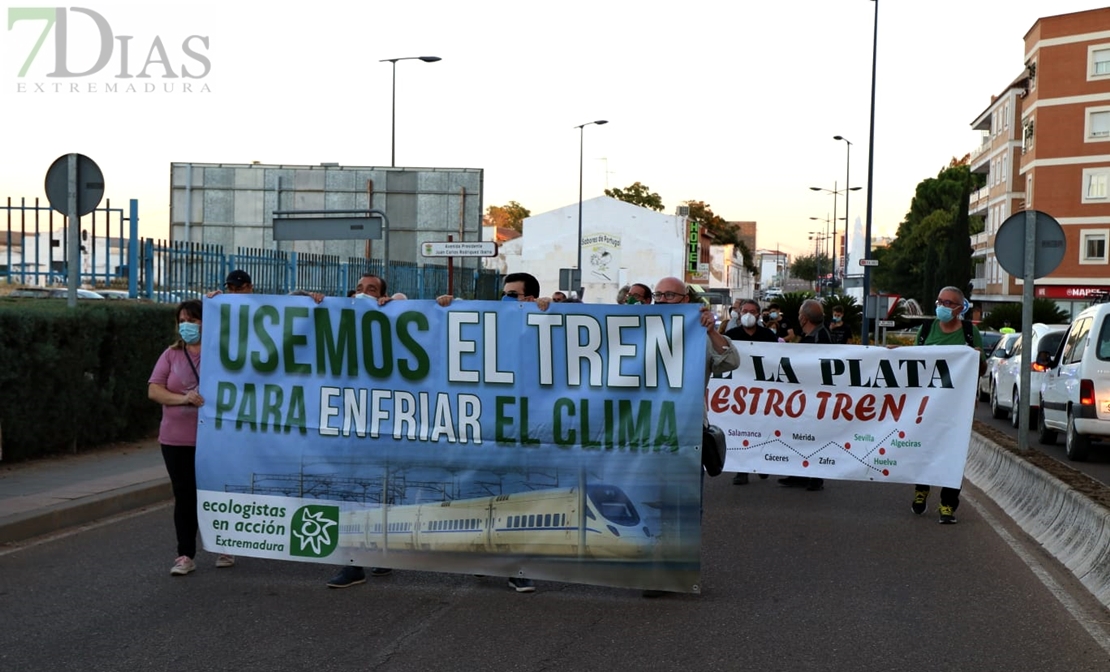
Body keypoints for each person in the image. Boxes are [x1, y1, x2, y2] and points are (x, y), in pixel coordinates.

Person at [646, 277, 740, 597]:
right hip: (643, 431)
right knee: (649, 500)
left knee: (684, 503)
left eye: (669, 295)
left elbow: (730, 360)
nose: (662, 299)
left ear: (685, 298)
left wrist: (711, 329)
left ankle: (677, 569)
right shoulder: (636, 327)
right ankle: (651, 569)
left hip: (686, 430)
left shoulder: (698, 332)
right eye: (658, 294)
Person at [148, 299, 235, 575]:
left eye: (193, 320)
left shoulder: (221, 353)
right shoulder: (171, 354)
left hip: (215, 439)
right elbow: (154, 390)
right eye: (182, 321)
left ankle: (225, 546)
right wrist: (183, 399)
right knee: (184, 496)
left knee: (216, 492)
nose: (186, 326)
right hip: (175, 440)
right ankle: (185, 554)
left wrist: (220, 300)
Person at [327, 272, 398, 588]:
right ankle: (353, 564)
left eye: (371, 290)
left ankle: (381, 555)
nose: (363, 294)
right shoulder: (337, 317)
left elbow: (409, 308)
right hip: (346, 427)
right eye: (358, 289)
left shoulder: (392, 316)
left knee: (379, 494)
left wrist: (394, 304)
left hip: (381, 426)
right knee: (350, 496)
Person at [911, 286, 984, 525]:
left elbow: (981, 369)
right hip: (927, 406)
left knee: (954, 454)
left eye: (949, 303)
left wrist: (974, 356)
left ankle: (947, 504)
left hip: (957, 410)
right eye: (940, 301)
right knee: (925, 449)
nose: (943, 306)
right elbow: (911, 365)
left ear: (960, 308)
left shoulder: (969, 333)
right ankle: (921, 489)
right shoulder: (926, 330)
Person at [723, 299, 778, 485]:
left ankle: (762, 465)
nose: (748, 314)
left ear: (759, 314)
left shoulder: (768, 335)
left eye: (752, 311)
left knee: (762, 429)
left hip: (763, 392)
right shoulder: (731, 335)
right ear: (738, 312)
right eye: (744, 310)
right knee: (741, 430)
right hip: (738, 393)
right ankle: (742, 470)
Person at [778, 299, 831, 492]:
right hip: (803, 396)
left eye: (800, 313)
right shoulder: (812, 336)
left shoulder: (819, 338)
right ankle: (799, 473)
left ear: (804, 317)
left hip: (814, 397)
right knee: (800, 435)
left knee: (813, 436)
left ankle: (815, 477)